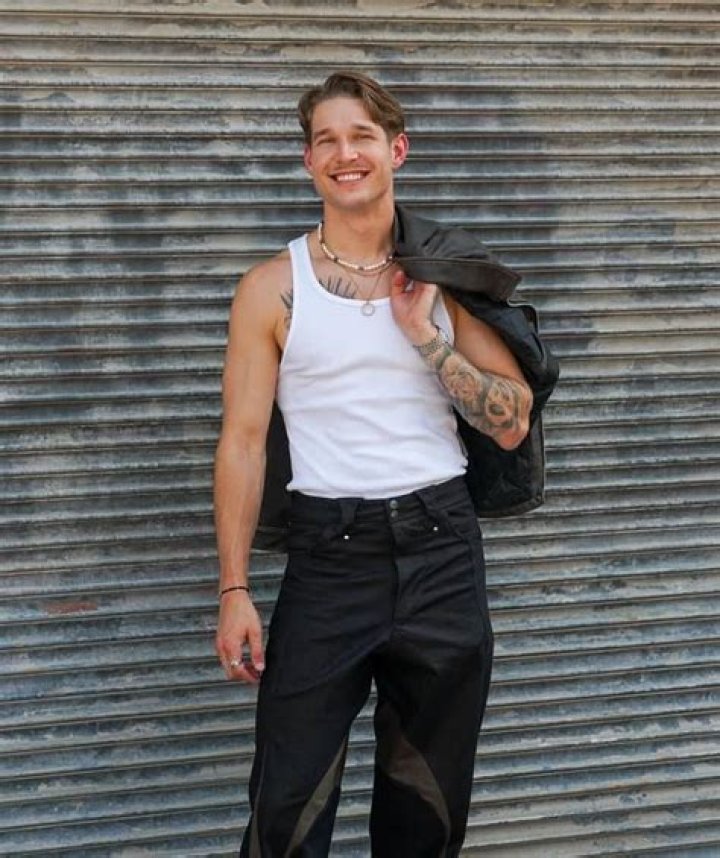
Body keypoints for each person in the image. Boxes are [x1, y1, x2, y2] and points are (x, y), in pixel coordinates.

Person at [214, 71, 538, 857]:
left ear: (397, 149)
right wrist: (234, 589)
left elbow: (511, 421)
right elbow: (243, 442)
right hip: (330, 561)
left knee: (427, 808)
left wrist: (424, 335)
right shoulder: (270, 289)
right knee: (286, 807)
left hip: (441, 553)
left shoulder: (442, 279)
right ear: (308, 161)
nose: (344, 153)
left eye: (361, 135)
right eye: (326, 140)